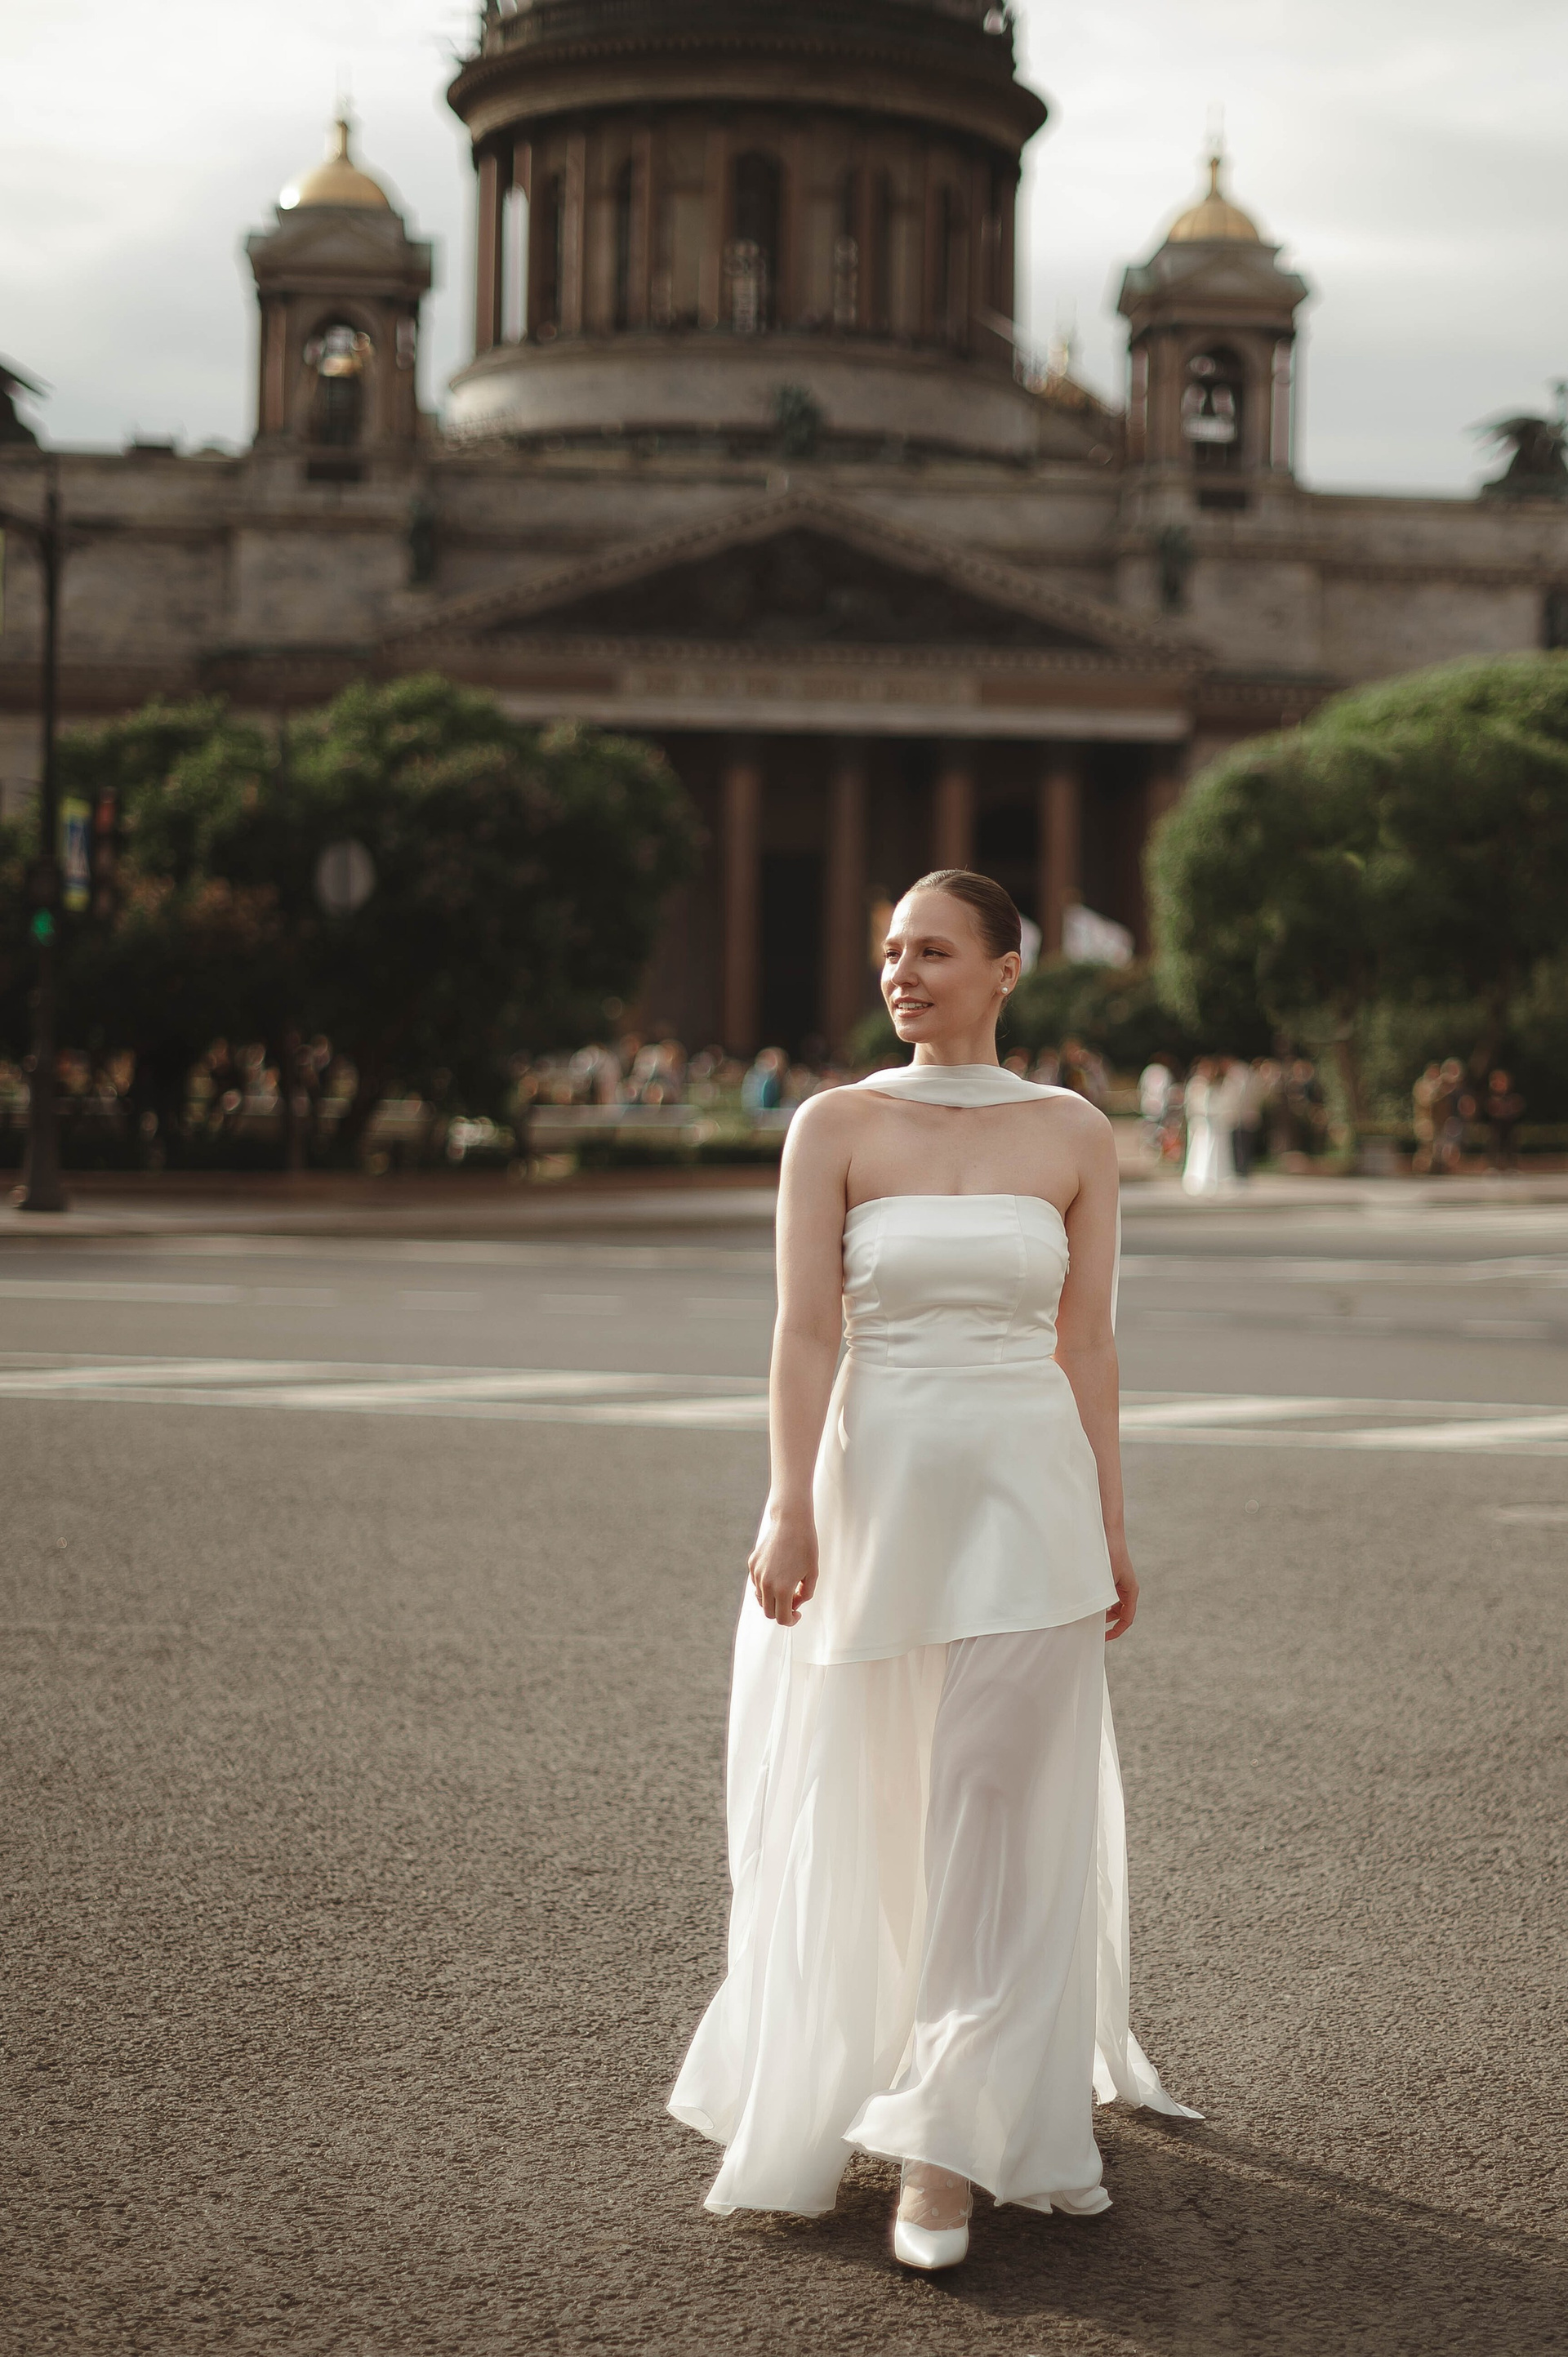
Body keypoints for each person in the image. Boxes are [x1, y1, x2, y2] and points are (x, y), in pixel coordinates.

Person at [669, 867, 1196, 2269]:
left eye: (935, 950)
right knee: (878, 1803)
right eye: (893, 951)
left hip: (1033, 1498)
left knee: (990, 1803)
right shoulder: (835, 1124)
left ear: (1007, 969)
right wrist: (787, 1505)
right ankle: (888, 2079)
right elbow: (803, 1333)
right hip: (876, 1496)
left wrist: (1114, 1524)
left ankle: (944, 2150)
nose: (902, 971)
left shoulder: (1073, 1131)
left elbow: (1089, 1342)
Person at [1181, 1056, 1237, 1196]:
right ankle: (1197, 1177)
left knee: (1216, 1151)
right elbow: (1193, 1104)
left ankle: (1214, 1177)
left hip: (1216, 1125)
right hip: (1201, 1124)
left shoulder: (1218, 1085)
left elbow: (1224, 1104)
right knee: (1199, 1150)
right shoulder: (1197, 1084)